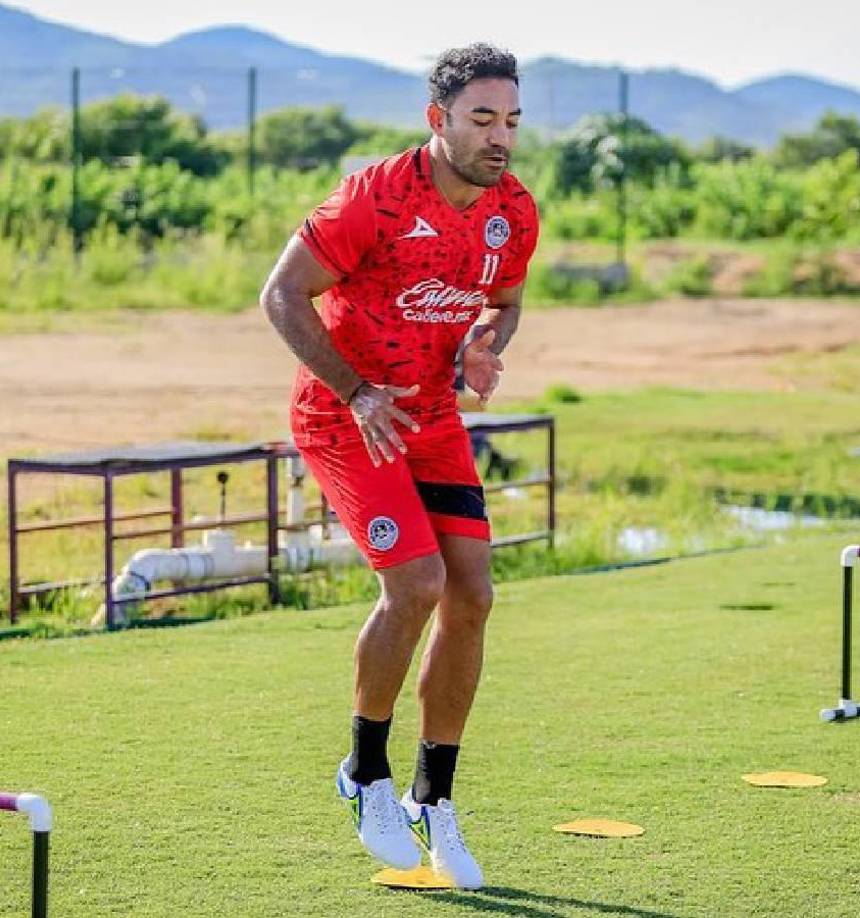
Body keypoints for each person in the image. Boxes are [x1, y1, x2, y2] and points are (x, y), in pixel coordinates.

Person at [260, 43, 538, 889]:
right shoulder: (374, 197)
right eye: (482, 118)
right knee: (416, 585)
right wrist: (356, 391)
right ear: (438, 119)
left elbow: (506, 301)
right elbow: (281, 294)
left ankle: (432, 797)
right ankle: (363, 772)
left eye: (512, 120)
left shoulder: (513, 210)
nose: (500, 137)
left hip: (433, 419)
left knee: (473, 595)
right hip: (348, 418)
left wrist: (485, 345)